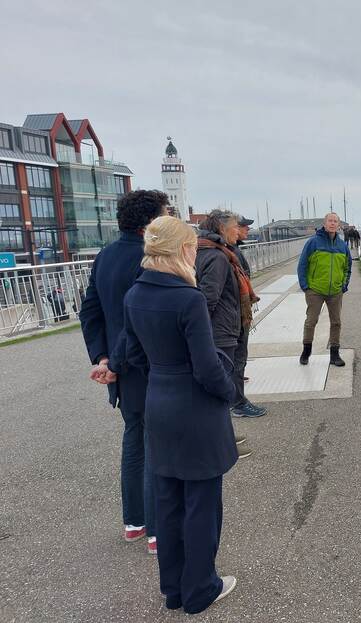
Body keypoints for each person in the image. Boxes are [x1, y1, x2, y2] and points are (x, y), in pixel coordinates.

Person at [106, 216, 238, 613]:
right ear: (182, 251)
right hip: (194, 409)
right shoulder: (188, 298)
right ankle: (200, 589)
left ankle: (174, 589)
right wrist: (229, 393)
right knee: (202, 502)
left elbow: (131, 354)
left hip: (158, 402)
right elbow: (206, 368)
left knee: (168, 500)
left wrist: (159, 374)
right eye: (193, 249)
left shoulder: (135, 295)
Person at [80, 189, 167, 554]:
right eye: (165, 214)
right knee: (157, 445)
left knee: (134, 441)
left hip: (119, 369)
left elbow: (90, 311)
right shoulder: (149, 259)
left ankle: (134, 522)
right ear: (151, 221)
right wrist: (115, 362)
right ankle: (157, 532)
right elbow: (139, 322)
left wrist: (102, 359)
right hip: (146, 366)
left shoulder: (105, 257)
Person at [196, 210, 265, 422]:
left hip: (226, 323)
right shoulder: (218, 257)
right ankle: (236, 406)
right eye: (236, 226)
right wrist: (202, 333)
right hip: (224, 328)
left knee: (229, 370)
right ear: (223, 229)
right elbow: (208, 299)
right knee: (230, 369)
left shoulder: (212, 251)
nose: (239, 230)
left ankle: (234, 407)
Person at [297, 212, 352, 366]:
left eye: (335, 221)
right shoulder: (313, 242)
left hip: (335, 291)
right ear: (325, 223)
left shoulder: (342, 246)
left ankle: (334, 354)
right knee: (311, 321)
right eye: (330, 221)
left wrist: (343, 285)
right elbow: (302, 265)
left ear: (339, 225)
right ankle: (306, 350)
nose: (333, 223)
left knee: (336, 322)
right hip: (315, 290)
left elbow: (348, 267)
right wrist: (305, 286)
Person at [232, 216, 254, 387]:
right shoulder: (229, 250)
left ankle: (238, 376)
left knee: (240, 347)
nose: (248, 229)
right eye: (244, 226)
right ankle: (237, 393)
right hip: (236, 307)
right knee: (239, 347)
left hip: (239, 305)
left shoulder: (233, 248)